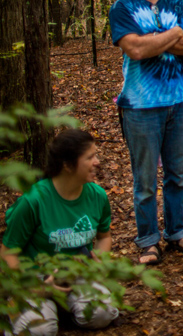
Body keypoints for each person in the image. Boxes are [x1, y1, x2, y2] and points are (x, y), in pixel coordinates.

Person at [109, 0, 183, 265]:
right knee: (145, 179)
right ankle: (148, 240)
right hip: (140, 105)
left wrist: (155, 40)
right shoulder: (123, 8)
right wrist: (175, 31)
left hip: (180, 100)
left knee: (177, 176)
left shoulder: (175, 3)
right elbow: (134, 50)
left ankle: (178, 233)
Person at [2, 130, 119, 335]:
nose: (97, 162)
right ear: (67, 165)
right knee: (39, 331)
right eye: (90, 157)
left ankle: (62, 307)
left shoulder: (97, 196)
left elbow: (104, 237)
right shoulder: (34, 200)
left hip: (77, 273)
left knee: (102, 314)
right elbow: (8, 254)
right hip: (36, 277)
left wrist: (100, 260)